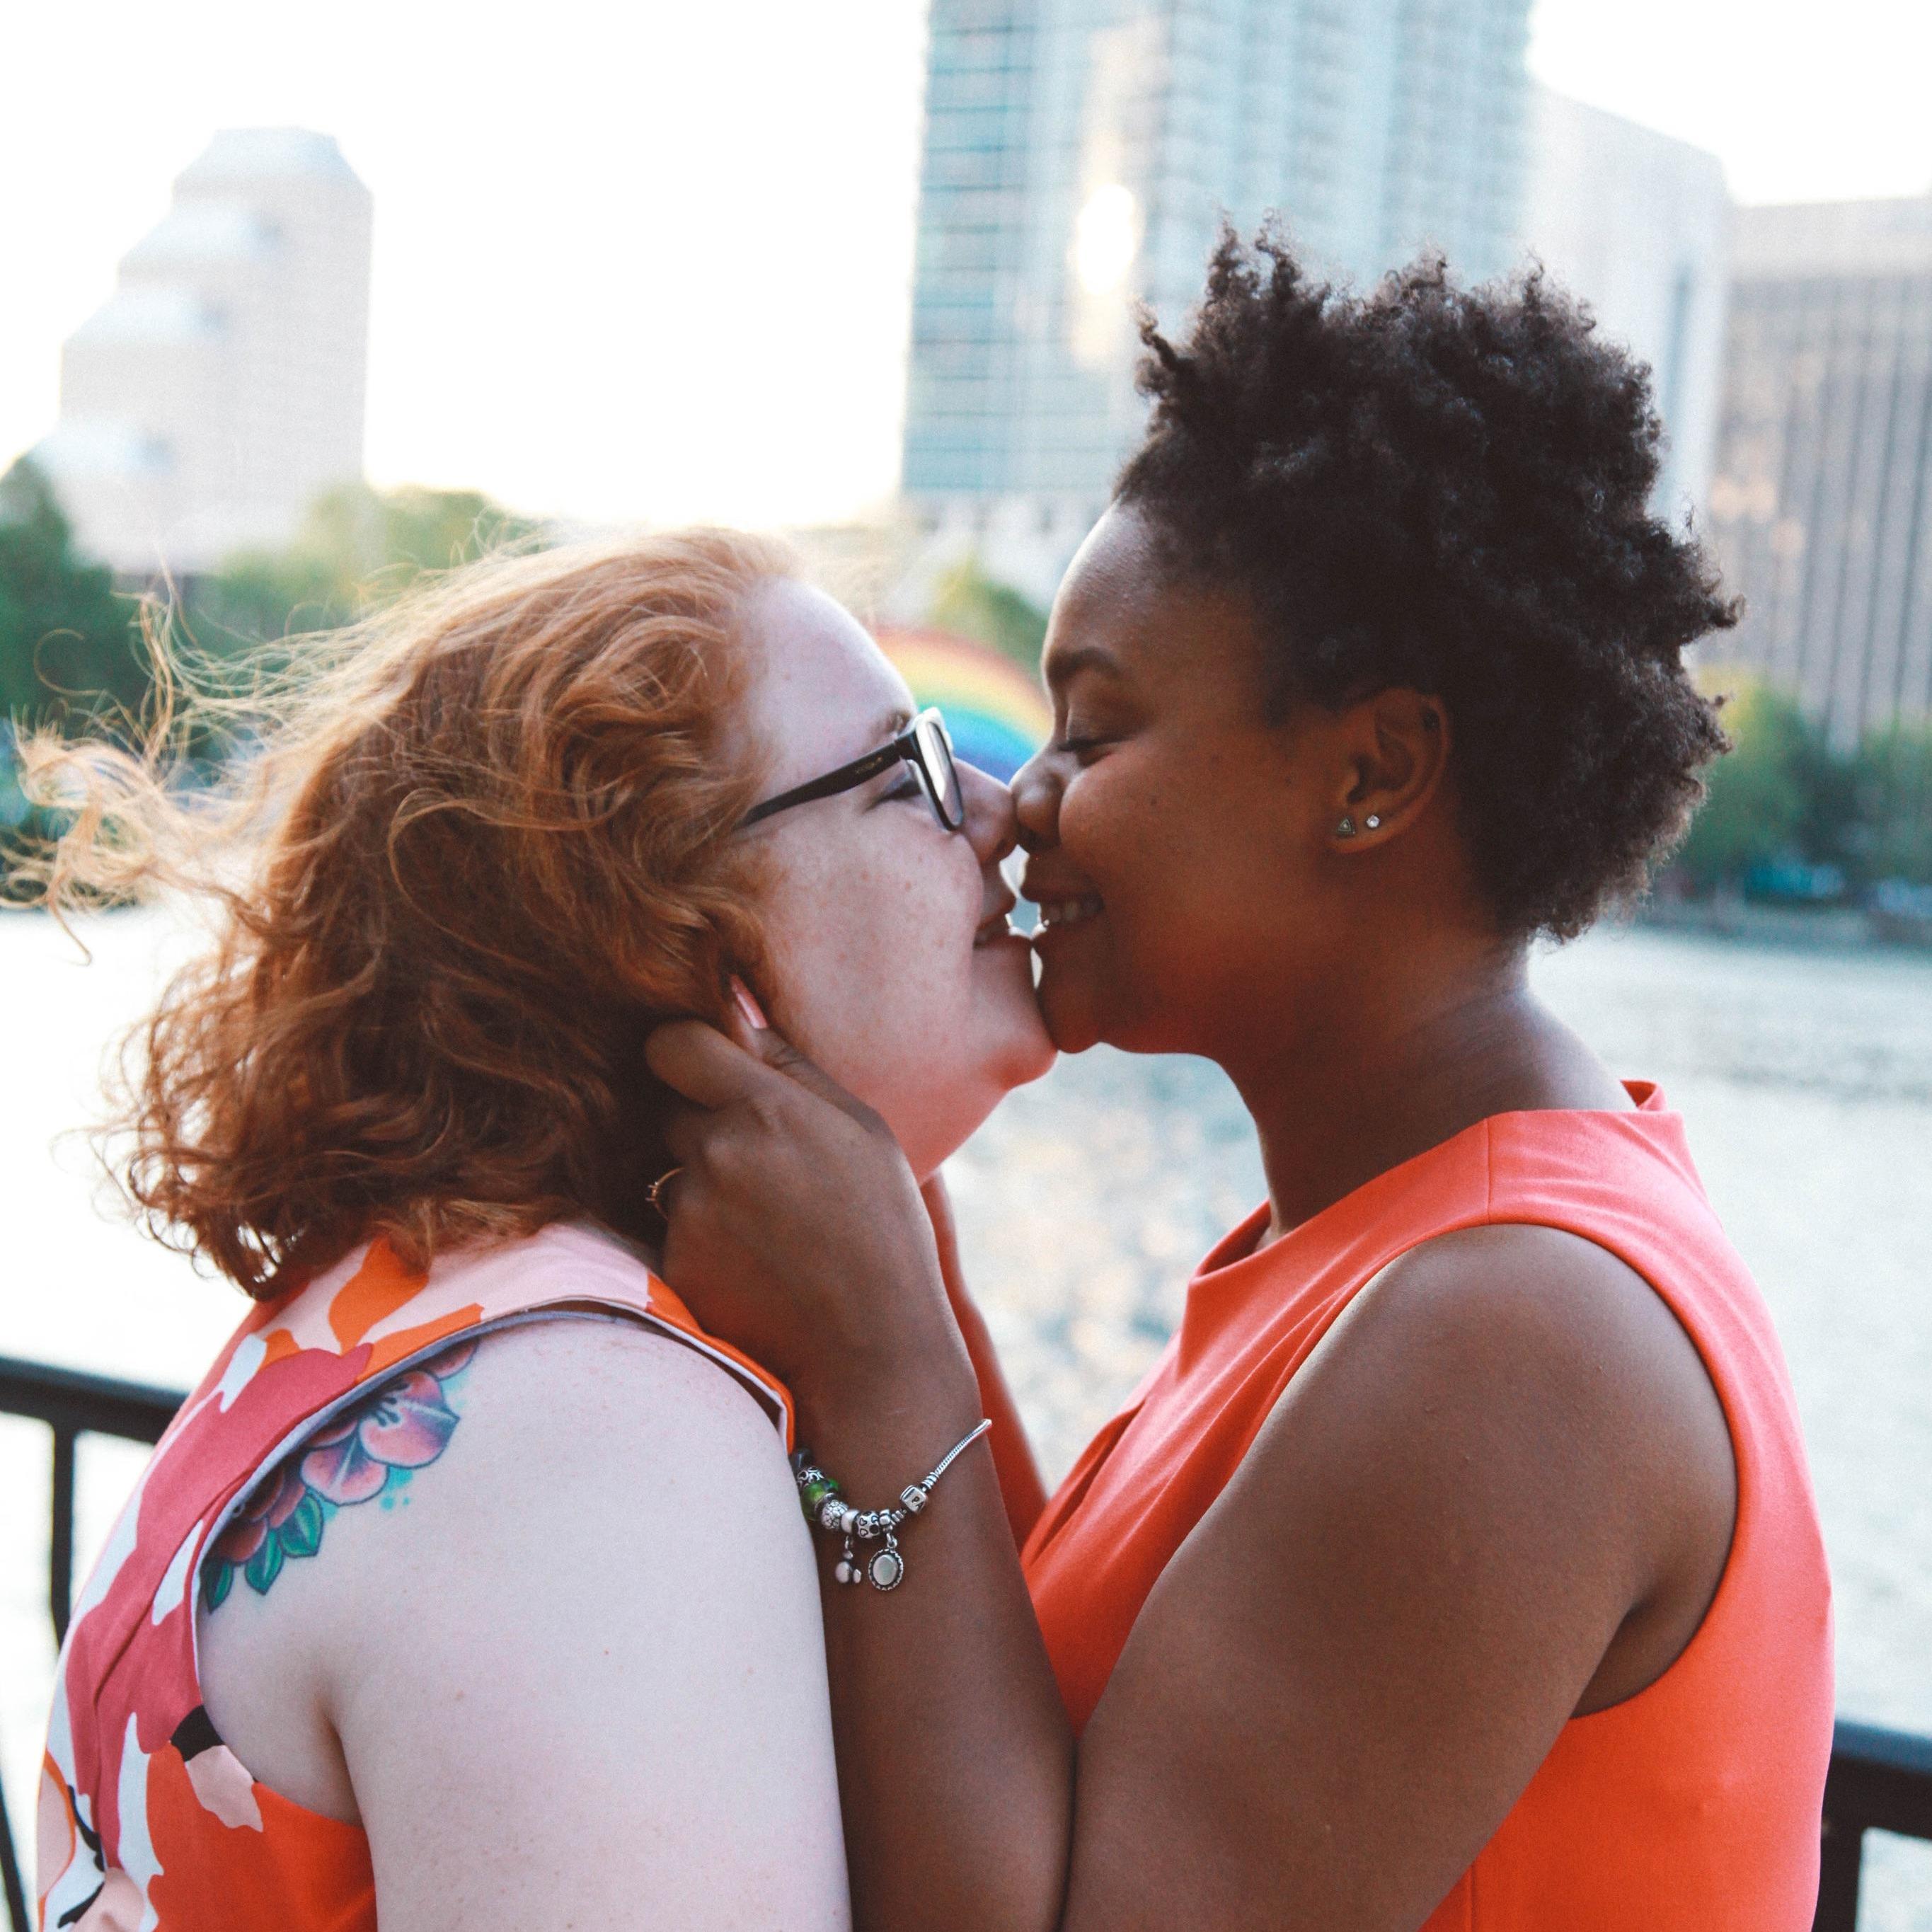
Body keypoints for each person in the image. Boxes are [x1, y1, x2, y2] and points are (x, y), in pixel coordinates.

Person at [643, 237, 1836, 1931]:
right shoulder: (1384, 1239)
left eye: (1096, 732)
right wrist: (907, 1275)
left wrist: (883, 1356)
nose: (1017, 805)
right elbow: (1067, 1741)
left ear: (1373, 771)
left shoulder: (1513, 1338)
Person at [28, 529, 1054, 1932]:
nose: (1010, 809)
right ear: (676, 928)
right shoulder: (594, 1436)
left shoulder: (424, 1308)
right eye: (911, 774)